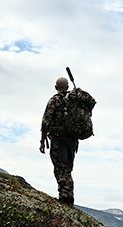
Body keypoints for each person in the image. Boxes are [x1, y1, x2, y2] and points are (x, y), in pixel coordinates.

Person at [39, 77, 78, 205]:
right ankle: (69, 197)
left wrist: (42, 140)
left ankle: (65, 198)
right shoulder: (75, 101)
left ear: (56, 87)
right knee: (67, 169)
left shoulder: (54, 101)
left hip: (58, 140)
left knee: (61, 169)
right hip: (72, 142)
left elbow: (46, 121)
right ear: (67, 87)